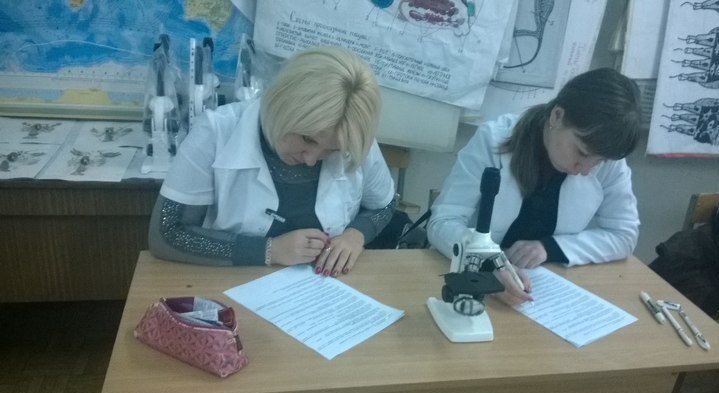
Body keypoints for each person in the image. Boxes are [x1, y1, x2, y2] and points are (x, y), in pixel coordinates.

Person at [149, 46, 396, 277]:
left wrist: (356, 235)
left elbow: (384, 204)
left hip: (325, 291)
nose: (311, 160)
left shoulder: (351, 136)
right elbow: (166, 234)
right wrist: (269, 250)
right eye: (307, 138)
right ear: (281, 106)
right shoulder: (215, 132)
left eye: (332, 151)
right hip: (231, 283)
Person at [427, 67, 642, 305]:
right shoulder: (492, 139)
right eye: (582, 152)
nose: (585, 169)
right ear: (557, 116)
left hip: (546, 292)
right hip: (471, 287)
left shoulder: (609, 160)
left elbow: (624, 235)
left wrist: (550, 247)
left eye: (599, 161)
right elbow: (442, 222)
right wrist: (487, 262)